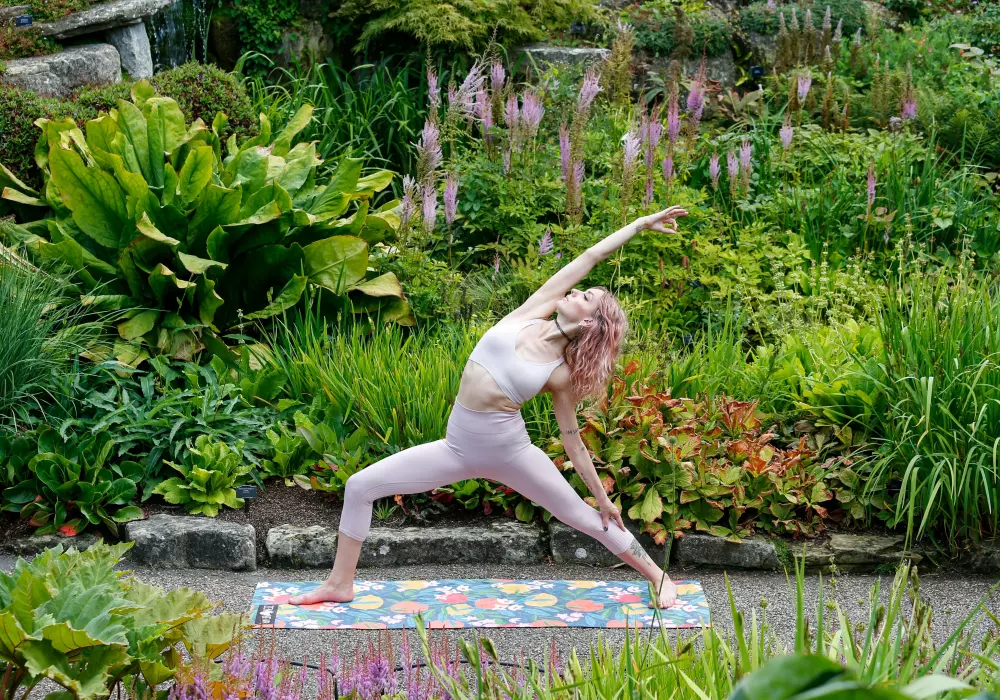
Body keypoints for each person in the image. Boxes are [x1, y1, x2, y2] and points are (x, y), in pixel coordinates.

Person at [290, 205, 689, 609]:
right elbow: (589, 258)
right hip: (456, 448)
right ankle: (340, 584)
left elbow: (573, 441)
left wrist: (601, 497)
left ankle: (659, 578)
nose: (576, 291)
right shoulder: (532, 312)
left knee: (587, 519)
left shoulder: (560, 373)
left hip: (511, 453)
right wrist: (639, 224)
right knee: (359, 486)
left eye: (586, 297)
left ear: (589, 323)